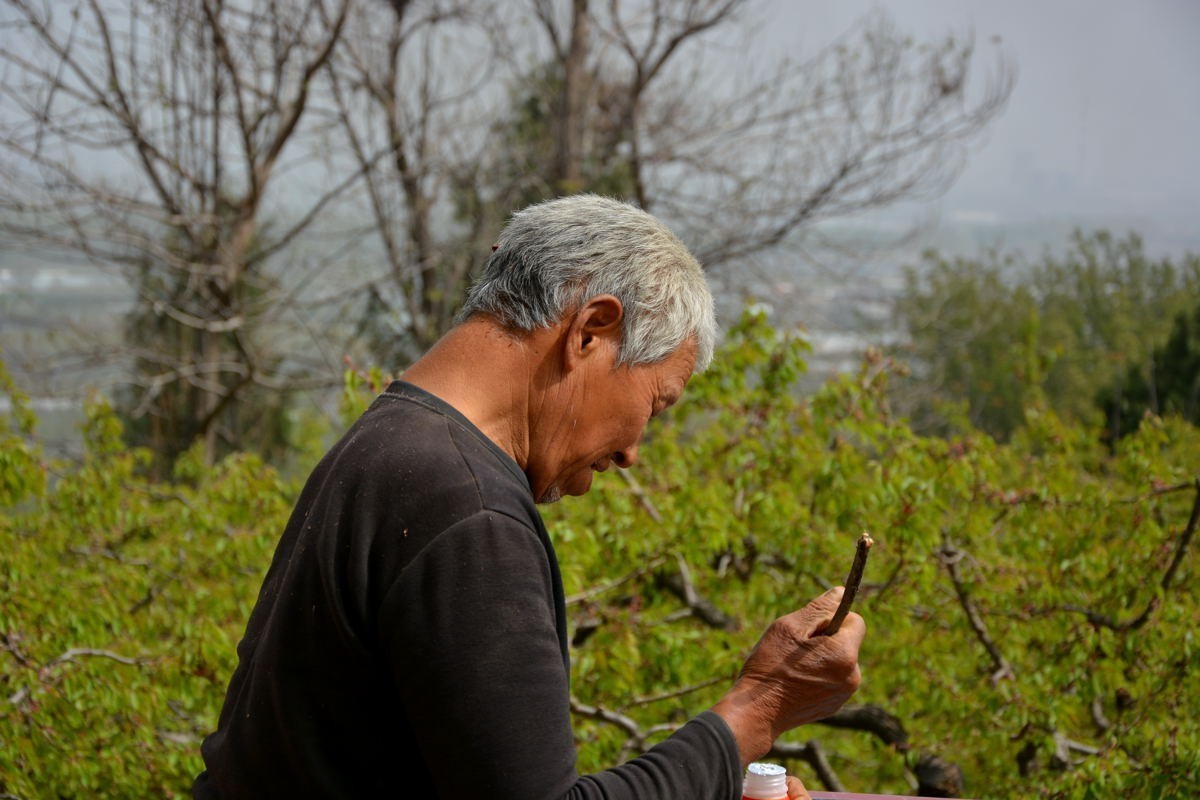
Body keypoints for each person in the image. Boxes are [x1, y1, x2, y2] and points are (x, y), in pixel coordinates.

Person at [194, 195, 864, 799]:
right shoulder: (466, 512)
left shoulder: (389, 445)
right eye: (656, 404)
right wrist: (759, 707)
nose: (632, 453)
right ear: (591, 331)